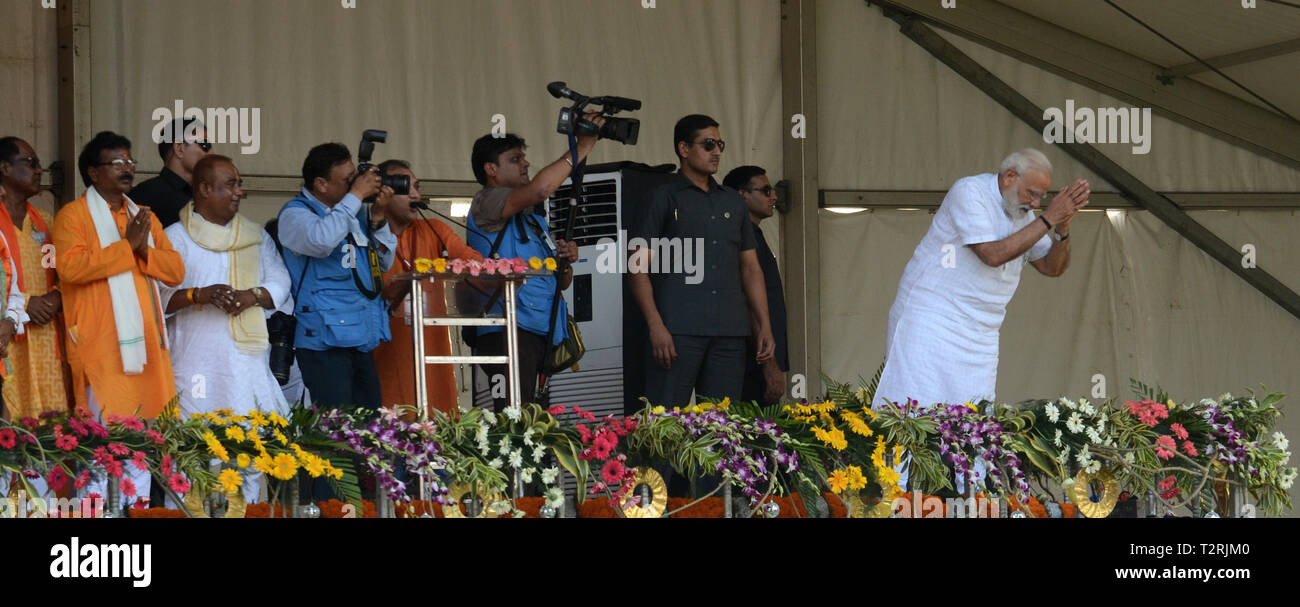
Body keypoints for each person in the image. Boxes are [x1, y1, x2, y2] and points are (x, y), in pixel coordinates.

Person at [873, 149, 1089, 413]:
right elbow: (992, 254)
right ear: (1010, 176)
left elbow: (1052, 267)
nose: (1035, 204)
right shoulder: (970, 192)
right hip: (931, 319)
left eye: (1041, 198)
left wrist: (1062, 228)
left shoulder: (1024, 215)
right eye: (1032, 193)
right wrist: (1049, 218)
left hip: (981, 332)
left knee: (974, 420)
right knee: (917, 412)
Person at [54, 131, 186, 505]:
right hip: (102, 351)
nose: (128, 168)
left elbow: (175, 270)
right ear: (94, 173)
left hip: (145, 352)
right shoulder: (73, 216)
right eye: (117, 163)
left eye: (130, 161)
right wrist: (127, 247)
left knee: (140, 452)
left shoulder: (142, 216)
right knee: (103, 452)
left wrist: (141, 250)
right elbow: (71, 268)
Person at [161, 155, 289, 503]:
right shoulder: (174, 238)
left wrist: (253, 295)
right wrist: (196, 295)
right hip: (193, 364)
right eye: (230, 184)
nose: (239, 192)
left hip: (244, 367)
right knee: (191, 454)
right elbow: (154, 300)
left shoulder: (255, 236)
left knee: (247, 455)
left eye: (238, 183)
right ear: (204, 189)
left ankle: (247, 512)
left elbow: (280, 281)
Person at [630, 115, 774, 408]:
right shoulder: (662, 196)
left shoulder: (733, 202)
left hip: (729, 331)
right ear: (684, 149)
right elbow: (636, 268)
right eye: (708, 145)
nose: (717, 152)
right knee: (666, 423)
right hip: (677, 330)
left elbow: (751, 268)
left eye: (719, 144)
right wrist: (656, 326)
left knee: (723, 427)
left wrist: (765, 325)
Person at [465, 127, 594, 411]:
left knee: (535, 420)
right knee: (513, 417)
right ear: (491, 169)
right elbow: (541, 189)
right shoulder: (486, 201)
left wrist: (567, 261)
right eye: (515, 159)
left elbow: (560, 283)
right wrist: (581, 148)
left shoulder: (534, 219)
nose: (526, 164)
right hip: (506, 331)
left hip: (539, 331)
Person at [277, 142, 395, 412]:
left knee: (367, 427)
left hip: (361, 334)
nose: (356, 185)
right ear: (321, 184)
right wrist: (355, 197)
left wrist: (377, 219)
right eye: (347, 181)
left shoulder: (352, 212)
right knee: (334, 429)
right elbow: (322, 241)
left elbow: (384, 263)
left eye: (356, 178)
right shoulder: (295, 215)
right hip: (323, 341)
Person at [372, 159, 482, 417]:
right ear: (382, 194)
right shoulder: (365, 234)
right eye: (405, 187)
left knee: (436, 419)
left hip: (432, 350)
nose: (415, 194)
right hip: (383, 350)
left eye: (417, 187)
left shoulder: (434, 229)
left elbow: (475, 263)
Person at [723, 165, 788, 406]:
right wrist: (769, 365)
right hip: (753, 362)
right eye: (766, 190)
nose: (774, 196)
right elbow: (746, 299)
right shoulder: (741, 239)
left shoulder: (755, 235)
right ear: (742, 195)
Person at [0, 138, 50, 417]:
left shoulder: (45, 221)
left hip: (44, 332)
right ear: (5, 168)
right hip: (9, 334)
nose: (39, 171)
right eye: (31, 163)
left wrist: (56, 296)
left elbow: (52, 267)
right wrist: (26, 303)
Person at [130, 117, 211, 227]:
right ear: (179, 148)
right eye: (205, 145)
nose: (211, 153)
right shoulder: (144, 195)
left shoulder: (202, 195)